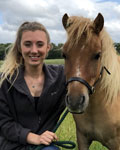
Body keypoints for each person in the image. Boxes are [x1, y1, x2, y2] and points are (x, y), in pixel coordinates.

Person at [0, 21, 66, 150]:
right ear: (19, 47)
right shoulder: (5, 80)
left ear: (48, 47)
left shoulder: (61, 76)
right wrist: (34, 137)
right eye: (27, 44)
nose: (34, 50)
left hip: (42, 147)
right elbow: (3, 122)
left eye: (40, 44)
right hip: (9, 145)